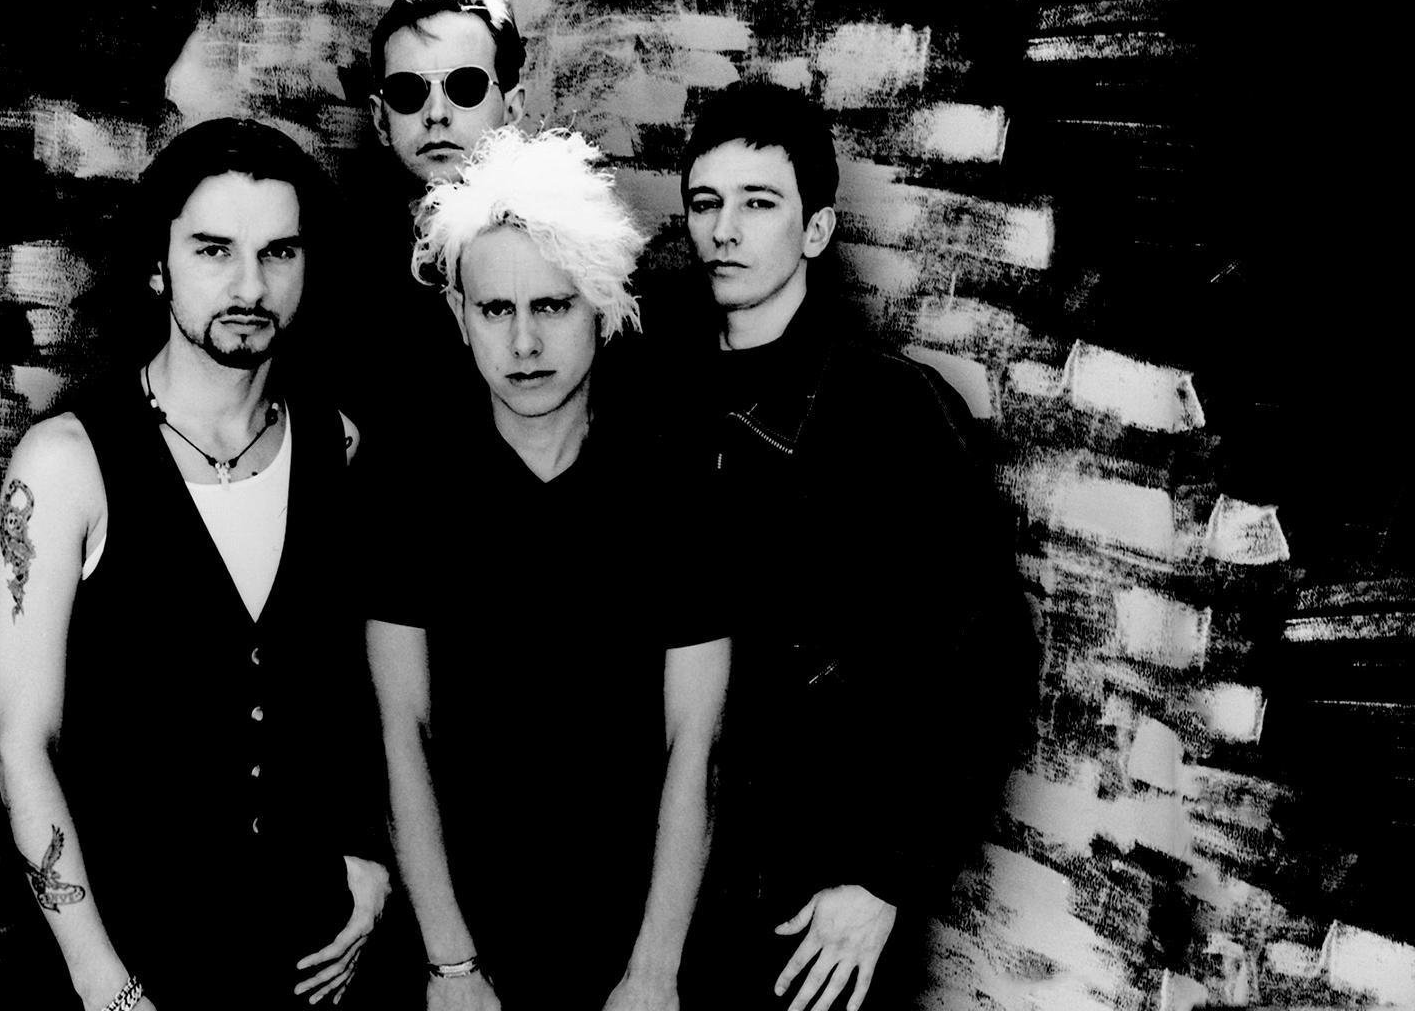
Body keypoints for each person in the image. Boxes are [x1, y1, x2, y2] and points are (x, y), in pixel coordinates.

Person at [0, 117, 395, 1010]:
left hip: (306, 969)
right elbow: (23, 744)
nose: (249, 285)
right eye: (214, 251)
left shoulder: (339, 445)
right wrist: (105, 984)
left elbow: (362, 694)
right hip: (129, 965)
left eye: (279, 252)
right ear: (158, 265)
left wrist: (372, 861)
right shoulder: (65, 464)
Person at [663, 84, 1037, 1011]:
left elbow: (987, 660)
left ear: (818, 229)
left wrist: (886, 877)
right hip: (667, 881)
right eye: (706, 203)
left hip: (820, 899)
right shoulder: (652, 396)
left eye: (759, 203)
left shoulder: (894, 409)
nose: (725, 230)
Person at [364, 127, 732, 1011]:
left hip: (635, 941)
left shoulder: (674, 485)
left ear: (600, 307)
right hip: (463, 944)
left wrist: (653, 971)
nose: (525, 342)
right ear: (461, 317)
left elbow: (697, 745)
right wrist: (451, 964)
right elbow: (400, 733)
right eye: (497, 310)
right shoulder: (408, 485)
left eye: (554, 306)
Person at [308, 0, 531, 459]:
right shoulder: (336, 271)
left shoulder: (568, 255)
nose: (436, 113)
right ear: (379, 118)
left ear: (512, 107)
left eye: (465, 86)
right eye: (408, 91)